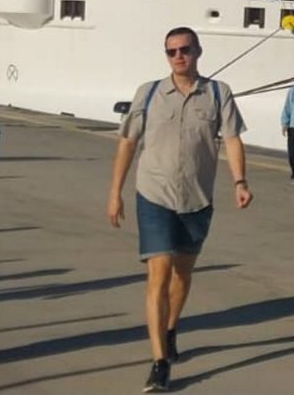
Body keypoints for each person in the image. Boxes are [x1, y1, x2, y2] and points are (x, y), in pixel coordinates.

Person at [108, 26, 252, 394]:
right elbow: (127, 142)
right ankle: (159, 363)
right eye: (171, 51)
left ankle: (171, 328)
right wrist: (115, 192)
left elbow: (233, 138)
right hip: (153, 194)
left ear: (198, 50)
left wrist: (240, 181)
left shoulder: (218, 93)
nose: (178, 56)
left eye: (185, 49)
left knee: (182, 275)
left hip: (197, 198)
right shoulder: (149, 93)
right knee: (158, 274)